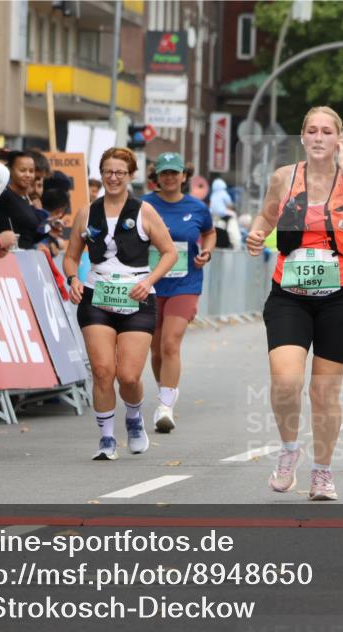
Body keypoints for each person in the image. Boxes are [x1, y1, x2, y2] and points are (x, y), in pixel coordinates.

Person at [245, 106, 343, 501]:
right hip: (290, 294)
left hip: (342, 295)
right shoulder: (285, 178)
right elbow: (266, 218)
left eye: (327, 132)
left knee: (324, 391)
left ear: (339, 139)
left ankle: (322, 472)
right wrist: (256, 235)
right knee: (286, 380)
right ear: (302, 137)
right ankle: (290, 451)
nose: (319, 138)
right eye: (312, 131)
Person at [62, 147, 179, 461]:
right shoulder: (87, 212)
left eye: (120, 173)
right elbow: (71, 256)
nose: (113, 178)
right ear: (101, 174)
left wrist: (148, 281)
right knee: (102, 372)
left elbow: (170, 253)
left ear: (131, 176)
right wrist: (73, 278)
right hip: (96, 296)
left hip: (135, 297)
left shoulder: (144, 211)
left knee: (128, 376)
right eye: (108, 172)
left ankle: (134, 416)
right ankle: (106, 439)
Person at [143, 152, 216, 434]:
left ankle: (165, 406)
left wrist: (207, 250)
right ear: (157, 178)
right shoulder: (144, 205)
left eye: (175, 172)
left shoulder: (197, 207)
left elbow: (209, 232)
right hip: (150, 284)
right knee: (156, 347)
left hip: (185, 283)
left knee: (171, 343)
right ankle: (167, 389)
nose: (170, 177)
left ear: (184, 176)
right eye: (165, 173)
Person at [0, 151, 45, 248]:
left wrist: (49, 224)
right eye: (22, 170)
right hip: (8, 256)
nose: (28, 175)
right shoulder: (3, 195)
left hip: (27, 257)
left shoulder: (27, 200)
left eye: (31, 171)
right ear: (10, 171)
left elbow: (34, 234)